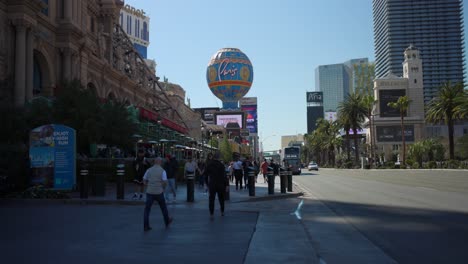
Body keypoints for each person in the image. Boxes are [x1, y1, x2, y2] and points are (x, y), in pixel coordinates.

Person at [143, 157, 173, 231]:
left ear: (154, 162)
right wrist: (162, 188)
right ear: (160, 162)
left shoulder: (149, 170)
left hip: (150, 192)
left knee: (147, 210)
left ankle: (146, 226)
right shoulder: (162, 171)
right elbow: (165, 182)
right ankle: (167, 221)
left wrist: (147, 185)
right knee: (163, 208)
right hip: (159, 192)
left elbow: (144, 180)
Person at [205, 152, 229, 217]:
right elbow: (225, 176)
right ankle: (222, 211)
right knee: (221, 198)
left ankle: (211, 213)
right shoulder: (221, 165)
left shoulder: (209, 164)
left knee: (211, 199)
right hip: (220, 184)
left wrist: (206, 184)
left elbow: (205, 175)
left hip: (212, 184)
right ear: (218, 158)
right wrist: (227, 185)